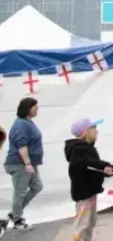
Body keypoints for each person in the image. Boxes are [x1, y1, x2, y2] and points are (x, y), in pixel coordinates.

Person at [65, 118, 113, 241]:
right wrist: (106, 167)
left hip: (90, 192)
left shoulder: (85, 148)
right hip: (83, 193)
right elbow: (90, 164)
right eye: (93, 129)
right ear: (85, 132)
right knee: (83, 223)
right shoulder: (79, 150)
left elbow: (92, 167)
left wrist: (106, 170)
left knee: (90, 221)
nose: (97, 132)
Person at [4, 97, 43, 231]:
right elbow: (22, 145)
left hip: (29, 163)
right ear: (27, 108)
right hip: (19, 164)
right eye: (34, 107)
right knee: (20, 193)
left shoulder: (28, 122)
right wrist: (27, 163)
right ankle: (17, 221)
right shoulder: (21, 124)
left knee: (37, 186)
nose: (37, 109)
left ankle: (14, 213)